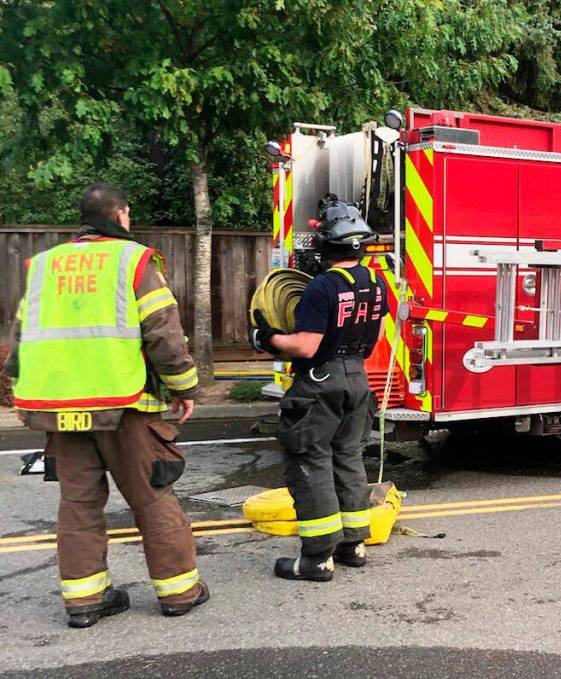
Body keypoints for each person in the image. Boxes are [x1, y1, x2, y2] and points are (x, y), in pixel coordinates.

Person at [6, 182, 207, 627]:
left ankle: (84, 603)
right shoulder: (133, 262)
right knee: (152, 499)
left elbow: (21, 340)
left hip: (61, 410)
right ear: (121, 216)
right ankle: (179, 593)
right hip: (125, 406)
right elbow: (163, 335)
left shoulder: (43, 266)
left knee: (78, 505)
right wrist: (185, 389)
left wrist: (21, 394)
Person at [249, 197, 387, 581]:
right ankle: (354, 545)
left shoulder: (322, 287)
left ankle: (316, 559)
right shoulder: (377, 283)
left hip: (319, 382)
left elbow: (306, 345)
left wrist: (267, 338)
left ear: (327, 243)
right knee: (348, 459)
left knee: (311, 463)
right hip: (358, 380)